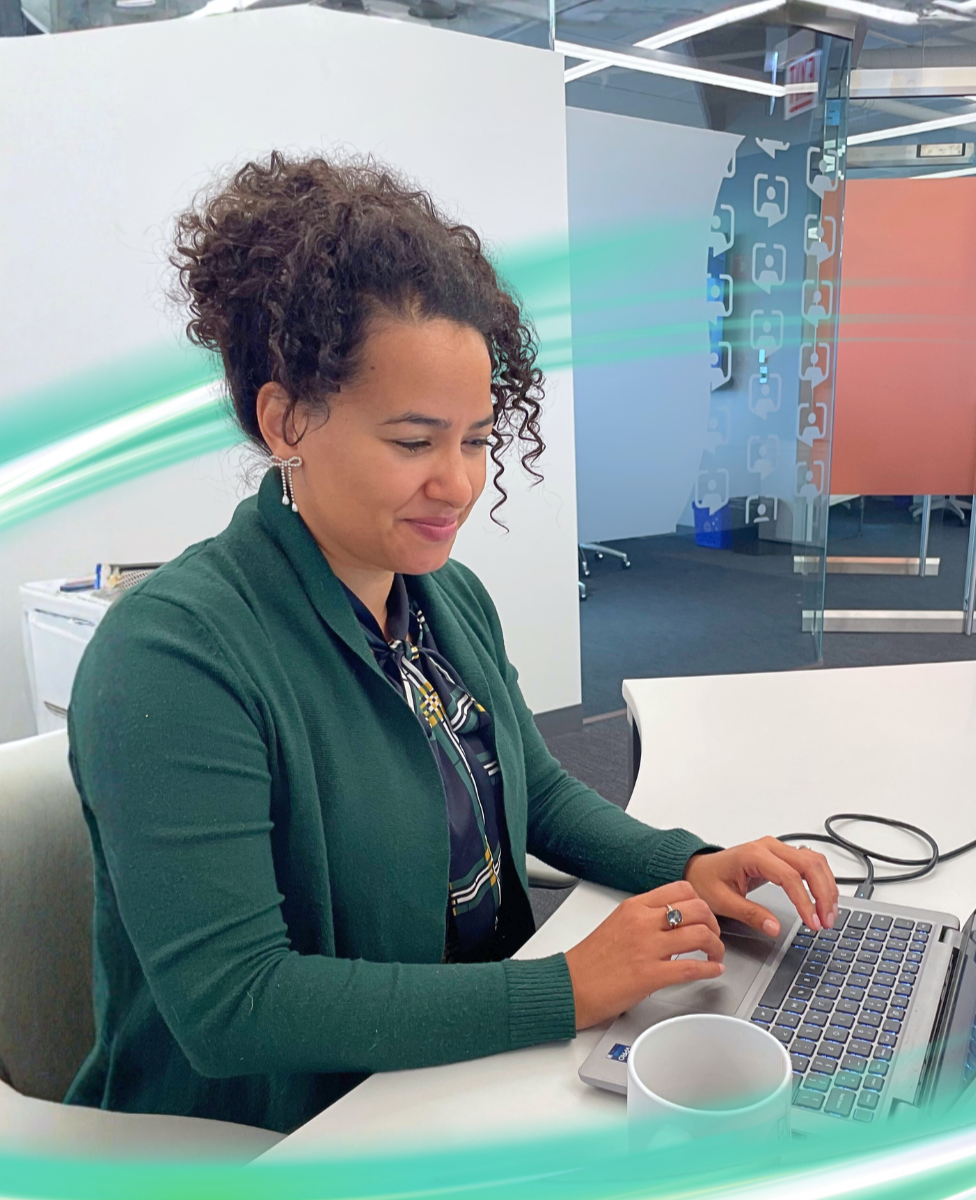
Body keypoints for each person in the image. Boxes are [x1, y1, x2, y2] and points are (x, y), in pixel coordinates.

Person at [65, 153, 839, 1135]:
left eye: (476, 439)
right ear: (286, 419)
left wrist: (686, 865)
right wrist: (566, 990)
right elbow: (233, 1007)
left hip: (458, 1070)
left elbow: (537, 791)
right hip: (278, 1132)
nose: (461, 483)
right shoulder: (172, 656)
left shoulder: (444, 598)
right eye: (414, 441)